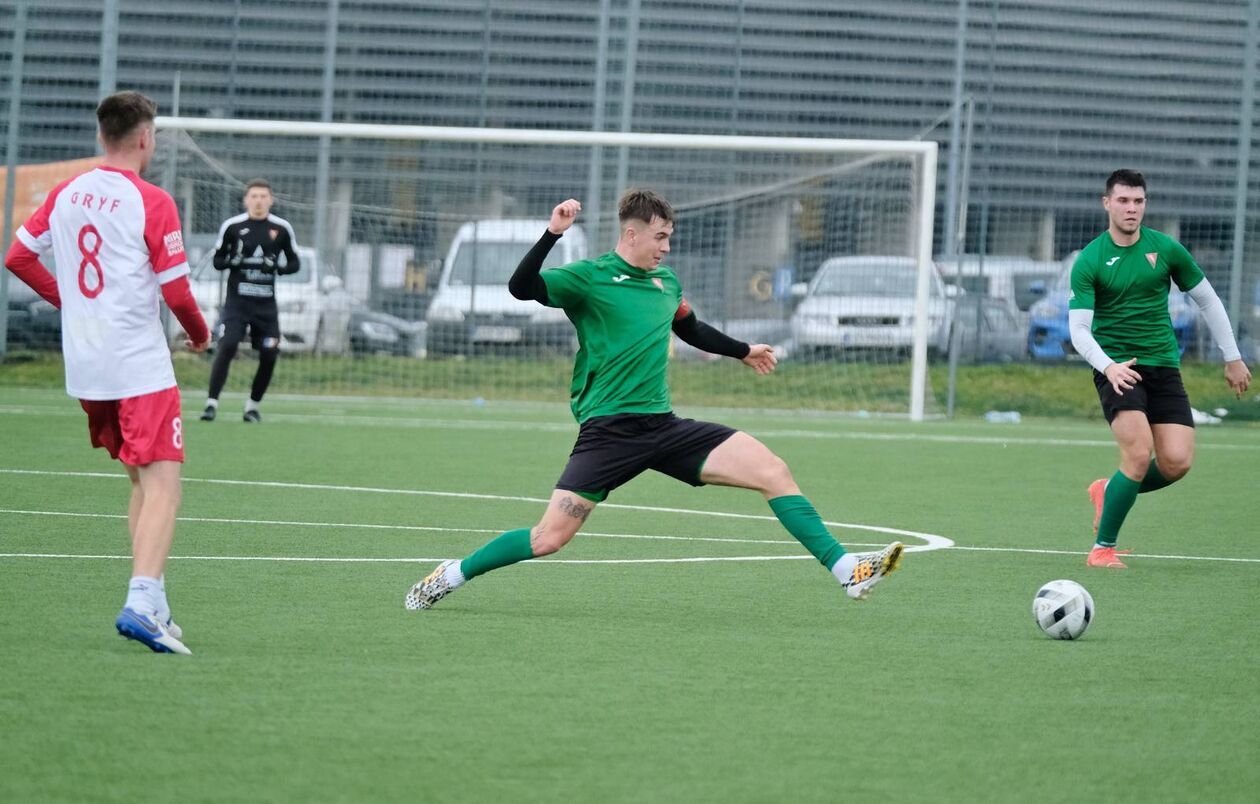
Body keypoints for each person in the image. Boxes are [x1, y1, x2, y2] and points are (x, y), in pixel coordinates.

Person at [406, 190, 904, 610]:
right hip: (609, 433)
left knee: (773, 471)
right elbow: (521, 288)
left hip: (664, 429)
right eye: (660, 237)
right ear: (632, 234)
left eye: (669, 238)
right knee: (548, 539)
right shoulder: (590, 277)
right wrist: (552, 234)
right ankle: (451, 574)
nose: (666, 247)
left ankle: (848, 570)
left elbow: (691, 329)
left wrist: (743, 351)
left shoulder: (667, 282)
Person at [3, 91, 210, 653]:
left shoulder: (67, 192)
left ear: (102, 137)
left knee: (141, 479)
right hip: (138, 363)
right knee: (166, 484)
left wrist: (68, 299)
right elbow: (176, 291)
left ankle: (156, 602)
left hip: (87, 366)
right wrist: (200, 334)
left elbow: (17, 257)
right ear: (146, 138)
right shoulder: (152, 200)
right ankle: (141, 602)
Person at [1069, 169, 1251, 568]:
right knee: (1137, 453)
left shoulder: (1166, 249)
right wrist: (1109, 367)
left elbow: (1208, 300)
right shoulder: (1091, 259)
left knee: (1176, 463)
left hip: (1164, 366)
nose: (1131, 208)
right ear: (1107, 203)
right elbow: (1079, 330)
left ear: (1145, 204)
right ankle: (1103, 549)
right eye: (1123, 201)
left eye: (1138, 201)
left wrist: (1232, 355)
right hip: (1118, 367)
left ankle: (1108, 490)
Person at [199, 178, 300, 423]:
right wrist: (233, 261)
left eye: (263, 196)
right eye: (254, 196)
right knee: (228, 345)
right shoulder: (233, 227)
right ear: (246, 200)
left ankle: (252, 407)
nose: (258, 201)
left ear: (271, 200)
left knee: (269, 353)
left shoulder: (281, 228)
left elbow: (295, 263)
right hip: (237, 305)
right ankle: (211, 404)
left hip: (265, 308)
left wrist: (277, 267)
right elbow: (217, 261)